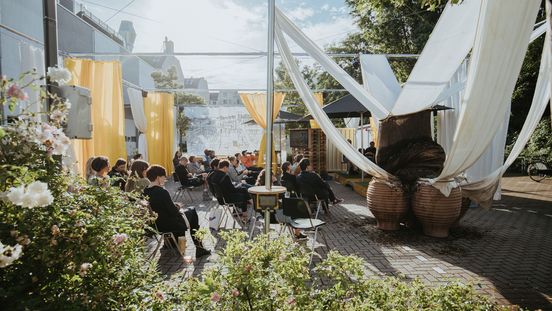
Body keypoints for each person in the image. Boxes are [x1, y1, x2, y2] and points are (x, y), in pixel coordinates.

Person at [143, 165, 210, 258]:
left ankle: (197, 248)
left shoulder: (145, 191)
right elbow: (173, 212)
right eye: (164, 177)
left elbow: (160, 206)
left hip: (157, 224)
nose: (165, 179)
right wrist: (178, 206)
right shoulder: (162, 192)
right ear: (158, 177)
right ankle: (199, 248)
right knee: (192, 212)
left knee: (190, 212)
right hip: (170, 223)